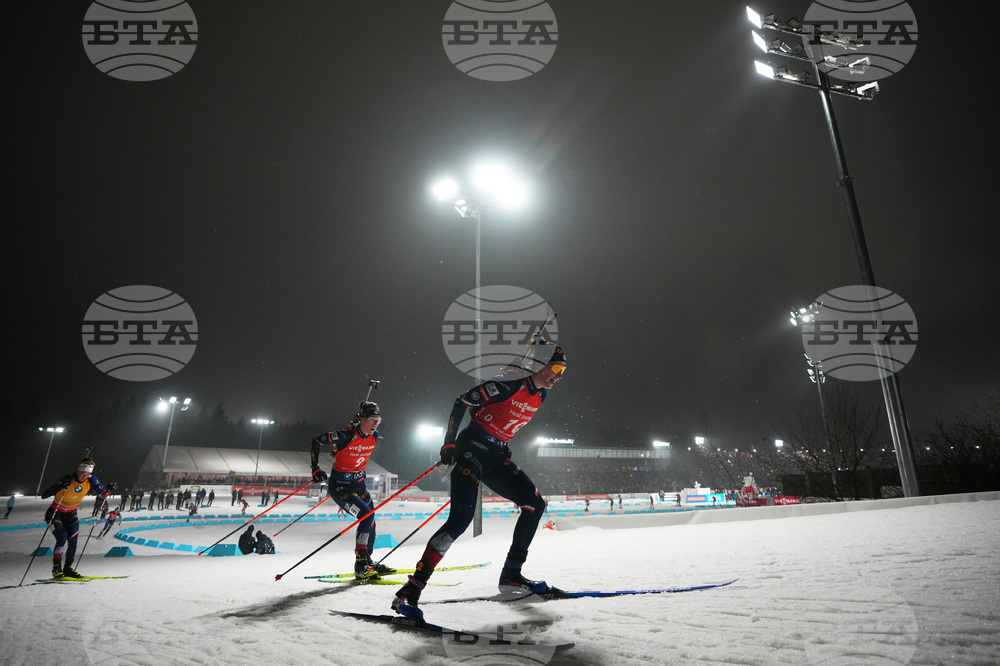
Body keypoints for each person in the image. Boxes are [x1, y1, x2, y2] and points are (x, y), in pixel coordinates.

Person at [392, 346, 567, 619]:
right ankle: (410, 591)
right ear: (537, 365)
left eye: (563, 371)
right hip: (471, 449)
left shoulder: (541, 394)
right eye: (556, 369)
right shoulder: (507, 384)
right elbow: (462, 402)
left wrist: (502, 442)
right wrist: (449, 441)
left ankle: (511, 575)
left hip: (495, 455)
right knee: (460, 520)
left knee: (535, 504)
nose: (559, 376)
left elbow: (498, 416)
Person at [310, 400, 395, 580]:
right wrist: (315, 468)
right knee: (366, 515)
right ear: (361, 419)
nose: (375, 425)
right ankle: (360, 564)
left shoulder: (374, 435)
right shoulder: (344, 435)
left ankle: (368, 561)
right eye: (371, 420)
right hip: (341, 487)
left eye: (378, 420)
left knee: (371, 520)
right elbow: (316, 440)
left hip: (359, 484)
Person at [40, 457, 114, 579]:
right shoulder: (67, 479)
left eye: (87, 475)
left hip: (71, 514)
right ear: (77, 471)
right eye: (82, 474)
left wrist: (108, 490)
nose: (84, 477)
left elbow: (101, 494)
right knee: (62, 537)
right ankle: (56, 569)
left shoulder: (91, 480)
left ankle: (68, 568)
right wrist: (60, 486)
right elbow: (44, 495)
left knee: (73, 541)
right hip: (55, 513)